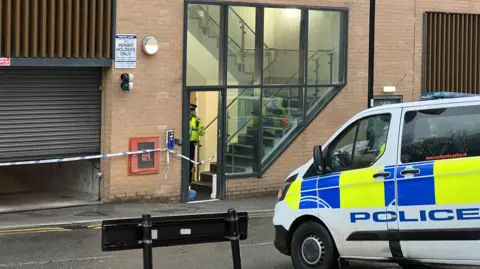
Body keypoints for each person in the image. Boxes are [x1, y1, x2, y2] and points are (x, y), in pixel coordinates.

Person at [189, 104, 205, 184]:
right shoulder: (183, 118)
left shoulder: (197, 121)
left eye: (192, 110)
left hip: (191, 144)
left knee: (190, 164)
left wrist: (200, 126)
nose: (191, 112)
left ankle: (188, 182)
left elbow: (202, 133)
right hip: (183, 144)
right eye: (190, 110)